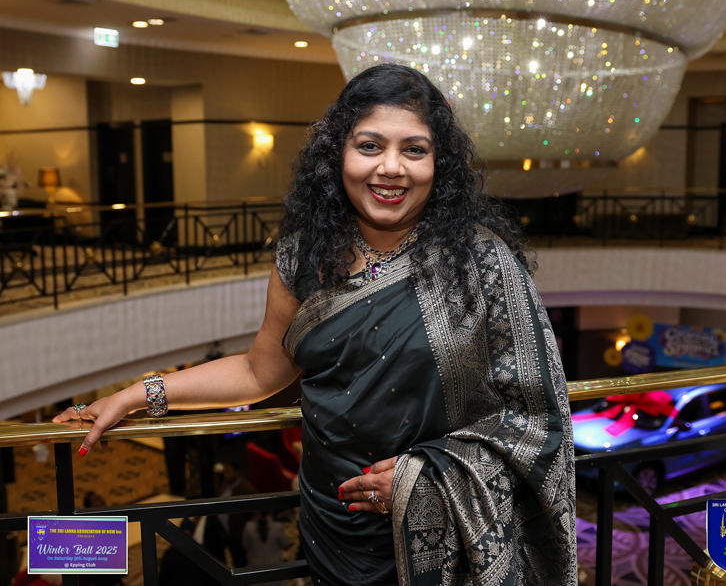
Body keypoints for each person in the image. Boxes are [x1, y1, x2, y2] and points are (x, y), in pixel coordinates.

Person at [54, 64, 577, 586]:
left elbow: (536, 422)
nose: (391, 168)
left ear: (439, 163)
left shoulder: (482, 264)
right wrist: (135, 395)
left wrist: (424, 481)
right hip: (332, 526)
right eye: (369, 146)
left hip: (446, 540)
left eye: (414, 150)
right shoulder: (305, 258)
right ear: (337, 153)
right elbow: (259, 372)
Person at [241, 512, 292, 586]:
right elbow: (285, 545)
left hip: (255, 568)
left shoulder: (249, 527)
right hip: (275, 567)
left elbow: (245, 545)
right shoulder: (277, 527)